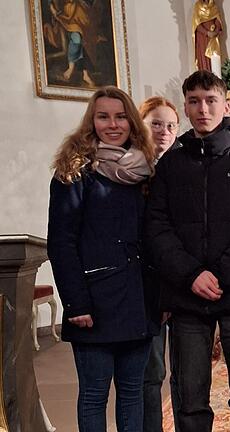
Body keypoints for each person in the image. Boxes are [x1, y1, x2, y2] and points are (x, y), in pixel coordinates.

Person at [144, 70, 230, 431]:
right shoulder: (170, 166)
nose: (203, 108)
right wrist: (191, 275)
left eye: (210, 100)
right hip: (187, 297)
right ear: (186, 108)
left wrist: (221, 274)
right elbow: (157, 228)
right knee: (190, 397)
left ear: (226, 104)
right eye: (194, 101)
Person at [47, 86, 157, 431]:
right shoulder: (75, 171)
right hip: (94, 302)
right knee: (94, 394)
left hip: (138, 299)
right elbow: (61, 243)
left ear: (132, 121)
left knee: (132, 393)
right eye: (104, 116)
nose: (113, 124)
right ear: (91, 122)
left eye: (121, 116)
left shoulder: (144, 170)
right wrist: (76, 303)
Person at [137, 96, 181, 432]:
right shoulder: (130, 171)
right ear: (141, 124)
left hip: (182, 285)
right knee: (151, 374)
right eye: (156, 124)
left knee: (185, 373)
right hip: (145, 288)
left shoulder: (184, 168)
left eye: (170, 125)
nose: (164, 132)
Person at [192, 0, 224, 71]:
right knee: (204, 58)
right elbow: (196, 23)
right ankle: (206, 77)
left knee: (214, 58)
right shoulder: (198, 5)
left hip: (213, 37)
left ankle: (215, 77)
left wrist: (215, 32)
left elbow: (217, 19)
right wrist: (207, 33)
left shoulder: (214, 5)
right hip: (202, 37)